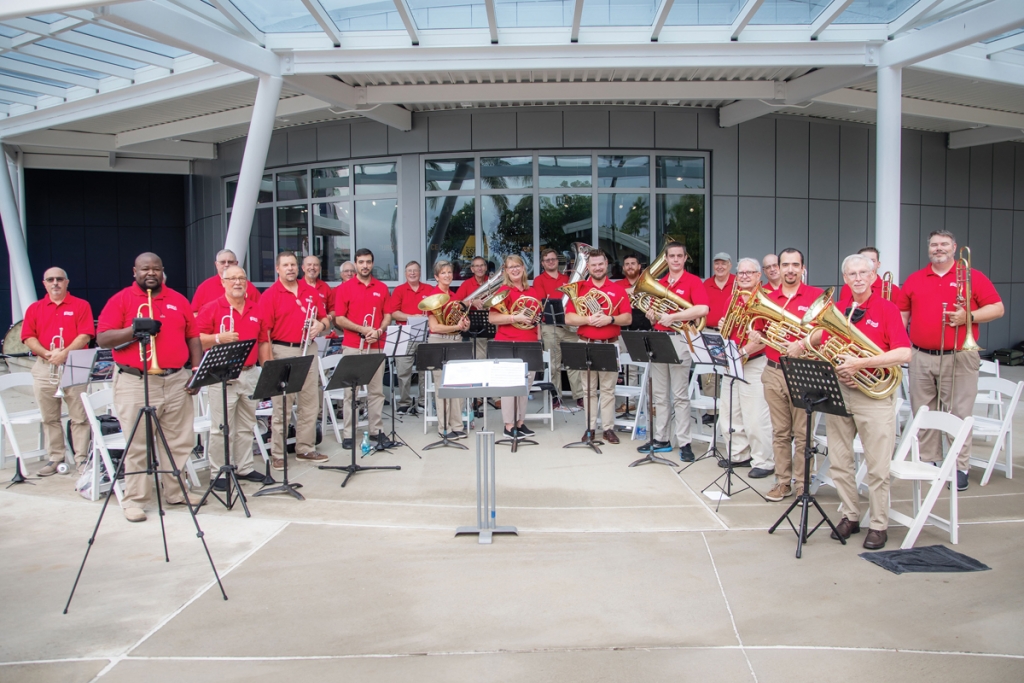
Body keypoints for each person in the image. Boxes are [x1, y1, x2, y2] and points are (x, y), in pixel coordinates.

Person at [789, 254, 911, 550]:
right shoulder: (841, 309)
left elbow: (904, 353)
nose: (857, 278)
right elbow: (823, 334)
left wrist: (861, 363)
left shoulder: (887, 309)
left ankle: (879, 524)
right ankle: (851, 515)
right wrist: (805, 343)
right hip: (840, 393)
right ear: (845, 279)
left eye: (862, 273)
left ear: (872, 277)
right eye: (851, 274)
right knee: (841, 461)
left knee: (877, 466)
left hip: (874, 397)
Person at [96, 253, 203, 523]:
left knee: (178, 441)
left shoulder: (178, 299)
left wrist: (196, 370)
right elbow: (103, 337)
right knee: (138, 444)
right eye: (145, 269)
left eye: (156, 268)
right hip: (136, 381)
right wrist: (134, 330)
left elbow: (192, 335)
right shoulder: (120, 299)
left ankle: (176, 492)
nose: (151, 273)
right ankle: (135, 499)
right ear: (135, 271)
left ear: (163, 271)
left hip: (176, 379)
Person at [898, 230, 1004, 491]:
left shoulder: (972, 277)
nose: (938, 248)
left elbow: (997, 308)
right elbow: (902, 315)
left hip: (959, 356)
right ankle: (930, 461)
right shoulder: (915, 279)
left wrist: (969, 316)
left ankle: (959, 466)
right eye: (934, 245)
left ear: (954, 247)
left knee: (958, 414)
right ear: (928, 249)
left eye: (944, 244)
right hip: (922, 355)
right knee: (924, 413)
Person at [747, 248, 823, 502]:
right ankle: (782, 481)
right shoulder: (767, 297)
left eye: (795, 264)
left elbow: (825, 331)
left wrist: (802, 344)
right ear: (778, 268)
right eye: (785, 265)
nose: (790, 269)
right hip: (773, 370)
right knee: (780, 432)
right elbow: (757, 330)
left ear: (803, 268)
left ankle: (802, 483)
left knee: (803, 433)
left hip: (803, 371)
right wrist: (754, 337)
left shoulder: (816, 296)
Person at [195, 265, 268, 488]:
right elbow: (196, 339)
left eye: (241, 278)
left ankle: (244, 467)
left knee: (247, 424)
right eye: (232, 279)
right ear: (223, 282)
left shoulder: (256, 308)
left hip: (249, 372)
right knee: (221, 427)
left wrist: (266, 371)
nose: (237, 282)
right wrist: (218, 338)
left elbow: (263, 341)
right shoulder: (211, 308)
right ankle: (219, 473)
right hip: (222, 376)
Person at [636, 241, 709, 463]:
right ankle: (661, 438)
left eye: (679, 256)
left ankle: (684, 442)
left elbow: (703, 309)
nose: (675, 260)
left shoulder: (693, 281)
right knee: (659, 394)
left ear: (685, 258)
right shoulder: (660, 283)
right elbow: (658, 312)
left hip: (680, 339)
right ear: (665, 259)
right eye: (672, 256)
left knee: (679, 395)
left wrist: (674, 317)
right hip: (659, 339)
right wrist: (653, 314)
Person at [257, 251, 330, 470]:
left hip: (308, 348)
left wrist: (321, 326)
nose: (290, 268)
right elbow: (265, 333)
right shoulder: (270, 295)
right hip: (283, 350)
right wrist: (268, 363)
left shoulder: (310, 291)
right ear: (278, 269)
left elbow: (325, 318)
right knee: (283, 404)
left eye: (293, 265)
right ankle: (278, 453)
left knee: (309, 401)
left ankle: (305, 448)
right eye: (286, 265)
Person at [20, 267, 95, 477]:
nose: (55, 283)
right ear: (44, 283)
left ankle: (81, 460)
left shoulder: (81, 305)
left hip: (74, 365)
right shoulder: (34, 308)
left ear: (66, 282)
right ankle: (55, 457)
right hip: (45, 367)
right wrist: (47, 353)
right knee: (49, 417)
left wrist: (64, 353)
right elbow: (28, 337)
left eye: (59, 279)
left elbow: (85, 335)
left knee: (79, 417)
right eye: (50, 279)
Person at [564, 250, 632, 445]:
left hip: (610, 344)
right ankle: (590, 428)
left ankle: (608, 428)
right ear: (588, 267)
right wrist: (590, 319)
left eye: (600, 264)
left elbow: (627, 318)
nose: (597, 268)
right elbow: (568, 318)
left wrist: (609, 318)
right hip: (586, 343)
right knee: (588, 390)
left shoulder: (617, 288)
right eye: (593, 265)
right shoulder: (579, 288)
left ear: (606, 264)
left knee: (609, 390)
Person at [713, 258, 773, 477]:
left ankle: (763, 461)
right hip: (733, 360)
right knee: (731, 413)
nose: (745, 276)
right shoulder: (734, 297)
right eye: (741, 273)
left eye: (750, 272)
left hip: (753, 361)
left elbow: (766, 335)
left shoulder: (766, 299)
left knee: (755, 415)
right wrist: (723, 326)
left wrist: (743, 352)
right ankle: (738, 454)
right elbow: (730, 328)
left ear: (759, 276)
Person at [334, 248, 393, 449]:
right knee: (351, 392)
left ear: (372, 262)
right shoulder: (345, 288)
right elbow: (340, 318)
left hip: (376, 344)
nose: (365, 265)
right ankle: (349, 433)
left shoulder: (382, 287)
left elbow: (387, 314)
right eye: (361, 262)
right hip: (353, 346)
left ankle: (376, 430)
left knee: (376, 392)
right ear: (356, 264)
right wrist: (362, 329)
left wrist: (379, 330)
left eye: (368, 261)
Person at [489, 254, 541, 439]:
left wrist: (538, 333)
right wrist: (515, 318)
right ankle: (509, 425)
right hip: (507, 341)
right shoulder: (502, 291)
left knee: (525, 385)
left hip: (529, 341)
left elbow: (537, 318)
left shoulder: (533, 291)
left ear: (524, 268)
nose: (515, 270)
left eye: (518, 266)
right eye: (511, 267)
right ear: (506, 271)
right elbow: (492, 318)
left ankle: (521, 422)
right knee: (509, 385)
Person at [532, 248, 583, 410]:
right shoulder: (539, 280)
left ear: (557, 260)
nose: (551, 262)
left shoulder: (567, 278)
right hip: (550, 326)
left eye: (553, 259)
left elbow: (575, 300)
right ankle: (556, 397)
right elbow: (543, 302)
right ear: (542, 263)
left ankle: (579, 396)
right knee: (553, 365)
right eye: (547, 260)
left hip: (569, 326)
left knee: (575, 363)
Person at [424, 260, 469, 439]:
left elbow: (460, 322)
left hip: (455, 340)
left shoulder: (454, 296)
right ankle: (444, 427)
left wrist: (464, 325)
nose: (447, 275)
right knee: (442, 385)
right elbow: (434, 327)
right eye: (443, 273)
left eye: (449, 272)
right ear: (436, 277)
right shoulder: (432, 297)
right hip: (438, 341)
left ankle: (457, 425)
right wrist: (455, 327)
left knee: (457, 385)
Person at [388, 261, 432, 416]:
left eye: (415, 270)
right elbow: (394, 313)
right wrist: (411, 316)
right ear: (405, 273)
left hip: (425, 332)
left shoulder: (429, 289)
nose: (412, 273)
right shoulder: (399, 290)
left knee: (424, 370)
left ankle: (423, 401)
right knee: (403, 370)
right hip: (405, 333)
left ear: (420, 272)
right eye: (409, 271)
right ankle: (404, 402)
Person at [191, 249, 261, 312]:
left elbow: (260, 310)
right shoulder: (204, 287)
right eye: (223, 262)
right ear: (216, 264)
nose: (226, 265)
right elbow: (194, 313)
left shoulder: (247, 286)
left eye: (230, 262)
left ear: (236, 264)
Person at [454, 256, 493, 361]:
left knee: (495, 354)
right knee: (480, 357)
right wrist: (472, 302)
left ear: (486, 267)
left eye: (482, 265)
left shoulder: (492, 282)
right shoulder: (466, 284)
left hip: (494, 320)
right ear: (472, 269)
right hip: (476, 324)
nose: (479, 268)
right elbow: (456, 304)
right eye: (476, 266)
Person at [838, 246, 904, 307]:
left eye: (872, 261)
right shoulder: (846, 288)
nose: (868, 263)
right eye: (864, 260)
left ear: (878, 264)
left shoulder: (893, 289)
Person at [303, 254, 335, 332]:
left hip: (322, 329)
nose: (312, 267)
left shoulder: (325, 287)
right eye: (309, 265)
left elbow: (333, 309)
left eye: (316, 265)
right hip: (302, 329)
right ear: (303, 268)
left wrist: (329, 317)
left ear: (320, 269)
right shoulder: (297, 286)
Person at [703, 252, 735, 332]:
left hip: (731, 331)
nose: (720, 267)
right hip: (708, 330)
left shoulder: (738, 282)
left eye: (723, 264)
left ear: (730, 266)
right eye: (717, 263)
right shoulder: (706, 284)